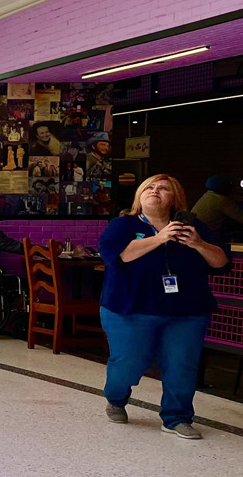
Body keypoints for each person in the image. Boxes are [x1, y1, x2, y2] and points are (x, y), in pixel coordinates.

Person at [98, 174, 231, 438]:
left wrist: (199, 244)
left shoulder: (194, 227)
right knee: (128, 363)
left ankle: (176, 418)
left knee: (182, 364)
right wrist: (160, 238)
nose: (155, 190)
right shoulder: (121, 225)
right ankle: (116, 398)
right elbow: (120, 255)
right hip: (130, 308)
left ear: (175, 199)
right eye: (149, 187)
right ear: (139, 195)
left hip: (187, 311)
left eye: (163, 188)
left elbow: (221, 262)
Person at [191, 175, 243, 241]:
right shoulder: (221, 200)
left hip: (199, 234)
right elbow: (240, 217)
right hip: (207, 236)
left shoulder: (208, 195)